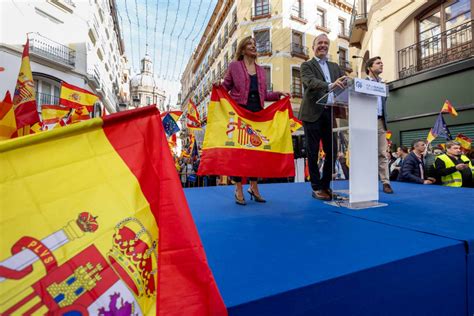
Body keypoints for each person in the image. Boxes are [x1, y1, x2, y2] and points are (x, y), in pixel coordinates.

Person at [221, 36, 290, 205]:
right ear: (243, 49)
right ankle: (238, 187)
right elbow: (226, 87)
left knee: (255, 151)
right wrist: (218, 85)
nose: (253, 46)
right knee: (239, 151)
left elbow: (264, 94)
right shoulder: (234, 66)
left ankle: (253, 186)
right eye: (249, 44)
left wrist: (277, 95)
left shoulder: (261, 70)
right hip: (240, 112)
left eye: (254, 44)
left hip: (257, 113)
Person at [298, 34, 347, 201]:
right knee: (312, 152)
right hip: (312, 113)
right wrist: (329, 85)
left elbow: (344, 83)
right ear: (313, 47)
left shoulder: (335, 67)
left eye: (326, 43)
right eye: (320, 43)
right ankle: (316, 187)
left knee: (332, 151)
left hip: (330, 112)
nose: (323, 45)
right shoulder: (307, 65)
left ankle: (326, 185)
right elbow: (309, 82)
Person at [365, 56, 394, 194]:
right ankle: (367, 181)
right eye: (378, 63)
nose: (381, 64)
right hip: (365, 121)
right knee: (367, 153)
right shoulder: (361, 83)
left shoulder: (383, 85)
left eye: (382, 62)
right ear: (370, 67)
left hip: (380, 121)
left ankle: (386, 182)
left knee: (382, 153)